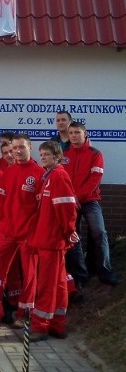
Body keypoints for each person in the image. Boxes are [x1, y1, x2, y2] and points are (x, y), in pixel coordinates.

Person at [27, 141, 79, 342]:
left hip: (53, 241)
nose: (43, 157)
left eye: (47, 154)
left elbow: (66, 208)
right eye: (41, 154)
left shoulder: (59, 176)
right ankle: (58, 323)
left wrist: (68, 233)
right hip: (49, 240)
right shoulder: (48, 176)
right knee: (58, 283)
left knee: (48, 284)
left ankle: (40, 326)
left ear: (58, 157)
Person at [0, 134, 43, 326]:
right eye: (15, 148)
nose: (18, 151)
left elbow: (41, 207)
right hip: (5, 231)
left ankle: (24, 314)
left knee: (29, 275)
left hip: (28, 234)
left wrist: (35, 229)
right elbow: (0, 199)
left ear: (30, 147)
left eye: (22, 147)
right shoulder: (8, 172)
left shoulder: (38, 173)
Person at [64, 122, 120, 286]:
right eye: (71, 133)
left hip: (90, 201)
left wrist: (77, 197)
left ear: (85, 134)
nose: (74, 135)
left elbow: (94, 180)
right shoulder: (65, 154)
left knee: (99, 233)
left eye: (77, 132)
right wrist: (70, 199)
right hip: (70, 203)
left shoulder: (95, 154)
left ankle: (105, 271)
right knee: (73, 237)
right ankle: (80, 274)